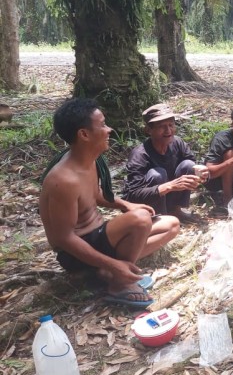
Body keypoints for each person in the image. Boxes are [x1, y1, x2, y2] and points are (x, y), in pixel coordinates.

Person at [39, 98, 180, 308]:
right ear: (84, 134)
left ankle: (103, 272)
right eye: (103, 124)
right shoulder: (63, 180)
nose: (109, 129)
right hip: (76, 252)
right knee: (141, 220)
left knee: (171, 224)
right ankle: (118, 282)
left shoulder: (89, 159)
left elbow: (94, 194)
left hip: (99, 237)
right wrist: (113, 264)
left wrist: (126, 205)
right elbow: (64, 238)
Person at [123, 104, 203, 224]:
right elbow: (134, 194)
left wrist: (203, 173)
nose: (168, 131)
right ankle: (159, 218)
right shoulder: (140, 155)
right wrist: (169, 186)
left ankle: (175, 210)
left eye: (171, 125)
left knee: (189, 164)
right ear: (148, 130)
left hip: (168, 196)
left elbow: (194, 167)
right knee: (157, 174)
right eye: (162, 126)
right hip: (146, 204)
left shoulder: (178, 143)